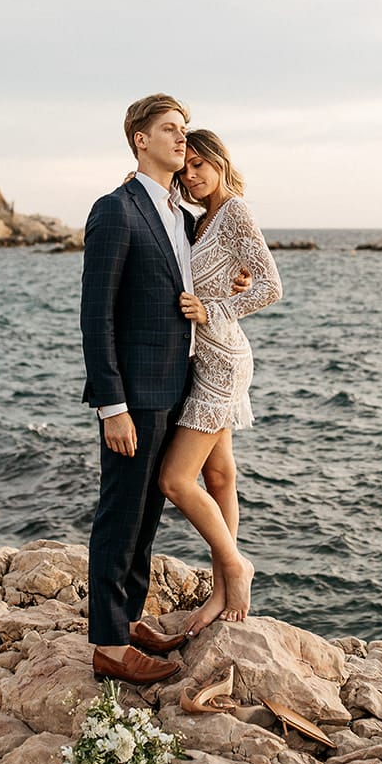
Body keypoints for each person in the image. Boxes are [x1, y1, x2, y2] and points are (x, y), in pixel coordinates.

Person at [80, 93, 206, 686]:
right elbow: (95, 315)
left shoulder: (181, 215)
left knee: (148, 512)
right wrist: (113, 406)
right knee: (120, 515)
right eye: (170, 129)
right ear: (140, 139)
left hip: (178, 386)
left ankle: (128, 618)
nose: (183, 139)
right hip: (133, 396)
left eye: (184, 129)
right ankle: (107, 643)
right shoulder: (116, 210)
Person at [158, 129, 281, 634]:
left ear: (220, 162)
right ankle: (222, 591)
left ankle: (235, 566)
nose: (191, 174)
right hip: (207, 356)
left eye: (200, 164)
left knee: (174, 480)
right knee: (220, 476)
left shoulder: (234, 211)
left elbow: (271, 285)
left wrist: (213, 309)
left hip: (221, 359)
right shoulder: (203, 216)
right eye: (185, 168)